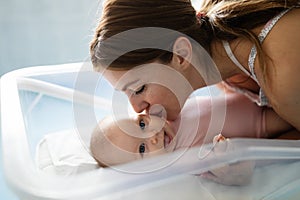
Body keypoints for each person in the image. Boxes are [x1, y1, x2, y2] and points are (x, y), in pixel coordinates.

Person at [90, 0, 300, 135]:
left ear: (181, 54)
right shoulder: (224, 60)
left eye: (138, 89)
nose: (137, 108)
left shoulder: (282, 74)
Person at [90, 92, 291, 168]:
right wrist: (222, 165)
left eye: (142, 125)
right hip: (262, 122)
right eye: (142, 149)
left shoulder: (164, 111)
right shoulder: (184, 157)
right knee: (290, 114)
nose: (152, 136)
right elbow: (237, 176)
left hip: (251, 93)